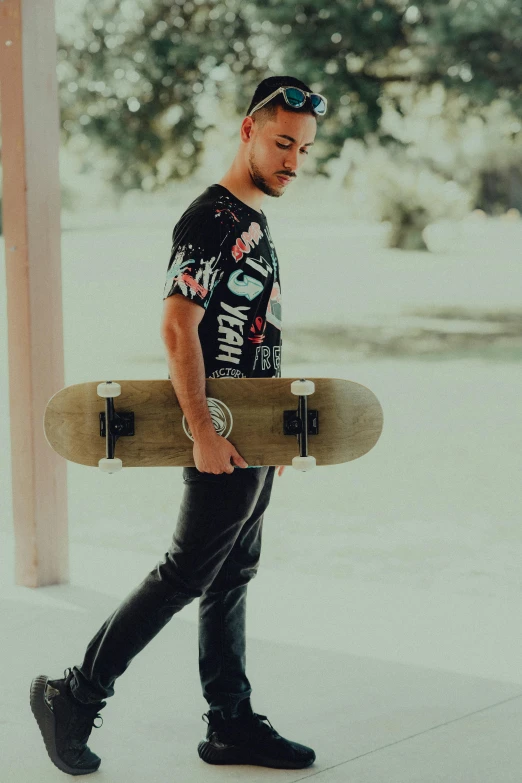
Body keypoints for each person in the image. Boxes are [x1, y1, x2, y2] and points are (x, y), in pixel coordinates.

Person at [30, 74, 327, 776]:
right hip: (218, 430)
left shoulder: (256, 220)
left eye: (305, 149)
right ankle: (73, 693)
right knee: (186, 570)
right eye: (283, 142)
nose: (293, 159)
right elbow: (176, 326)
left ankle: (230, 722)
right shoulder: (213, 219)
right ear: (248, 130)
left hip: (252, 432)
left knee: (232, 570)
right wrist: (202, 428)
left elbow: (254, 337)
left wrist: (276, 432)